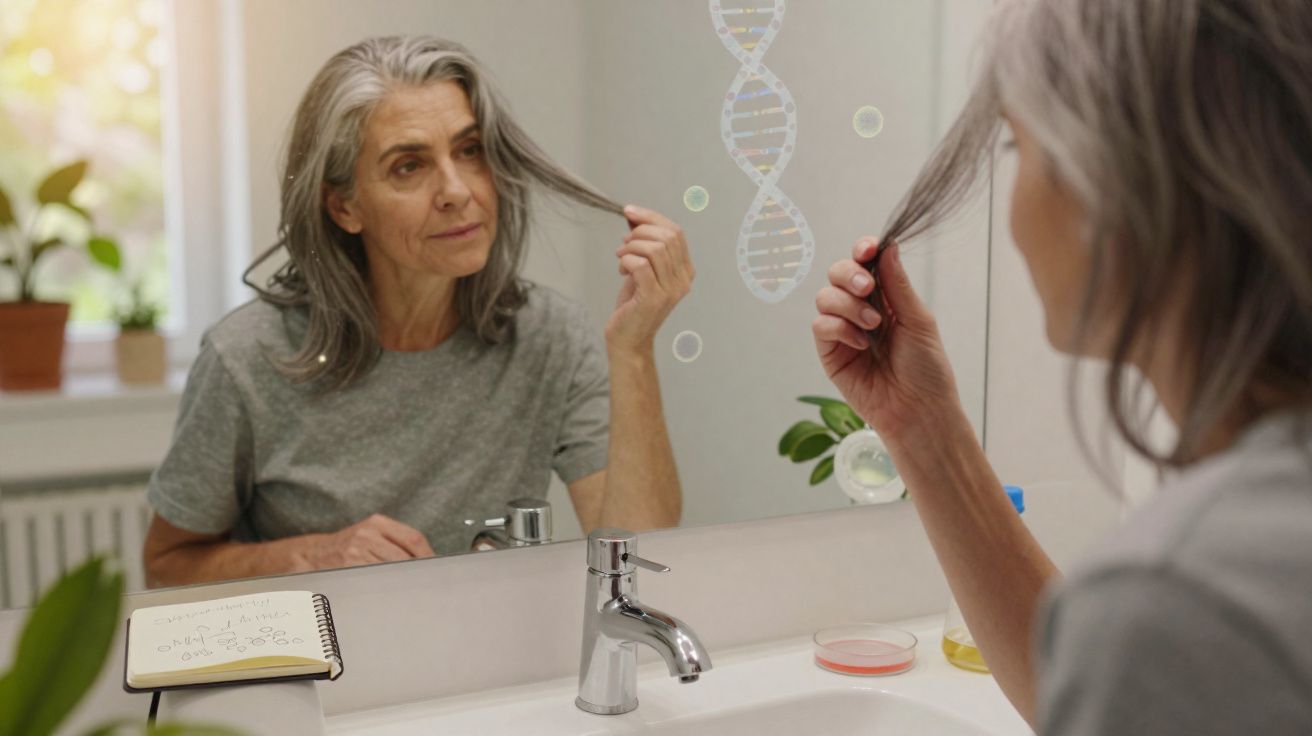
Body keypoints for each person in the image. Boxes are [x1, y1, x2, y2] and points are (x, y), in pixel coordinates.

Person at [814, 0, 1312, 733]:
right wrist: (923, 429)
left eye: (1016, 147)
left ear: (1118, 182)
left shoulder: (1181, 595)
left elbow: (1145, 663)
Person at [142, 36, 694, 587]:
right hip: (321, 669)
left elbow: (640, 552)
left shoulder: (550, 337)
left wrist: (634, 351)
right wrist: (315, 556)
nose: (457, 191)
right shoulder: (246, 358)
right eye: (409, 166)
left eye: (469, 150)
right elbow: (167, 566)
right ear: (345, 206)